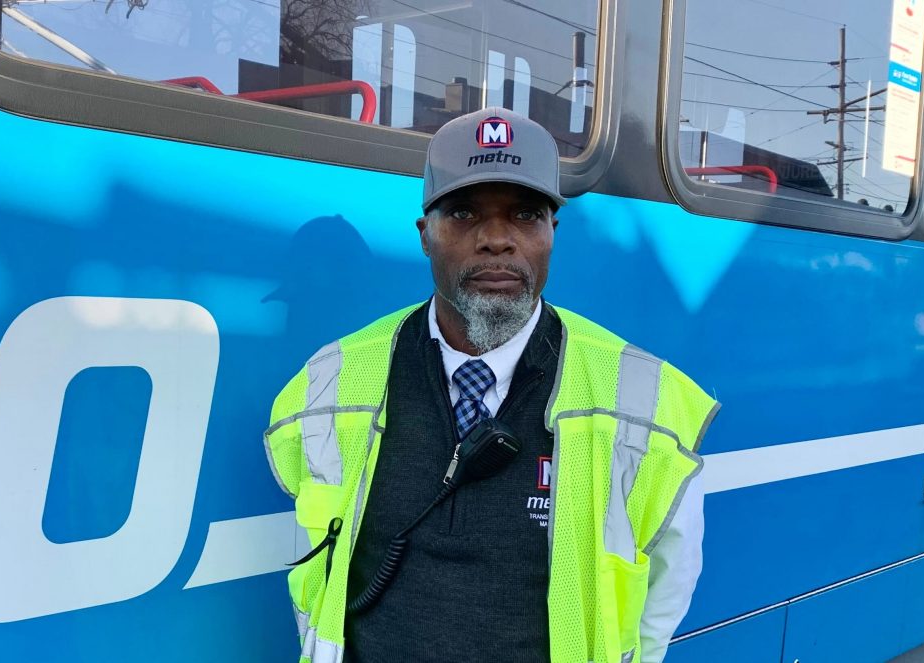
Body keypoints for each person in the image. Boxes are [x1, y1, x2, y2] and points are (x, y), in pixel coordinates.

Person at [263, 107, 719, 663]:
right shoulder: (331, 380)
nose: (497, 239)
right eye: (463, 212)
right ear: (425, 236)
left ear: (552, 234)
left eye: (525, 214)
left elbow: (666, 590)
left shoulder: (641, 399)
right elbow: (316, 577)